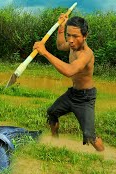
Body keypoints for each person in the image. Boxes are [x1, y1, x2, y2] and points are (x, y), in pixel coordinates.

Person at [33, 15, 104, 151]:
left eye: (75, 36)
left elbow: (70, 71)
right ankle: (55, 142)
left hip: (85, 98)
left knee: (89, 136)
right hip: (72, 93)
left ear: (85, 36)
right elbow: (60, 46)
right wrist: (61, 26)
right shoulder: (72, 46)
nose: (70, 40)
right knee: (52, 113)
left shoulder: (86, 54)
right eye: (68, 35)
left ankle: (106, 158)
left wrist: (45, 52)